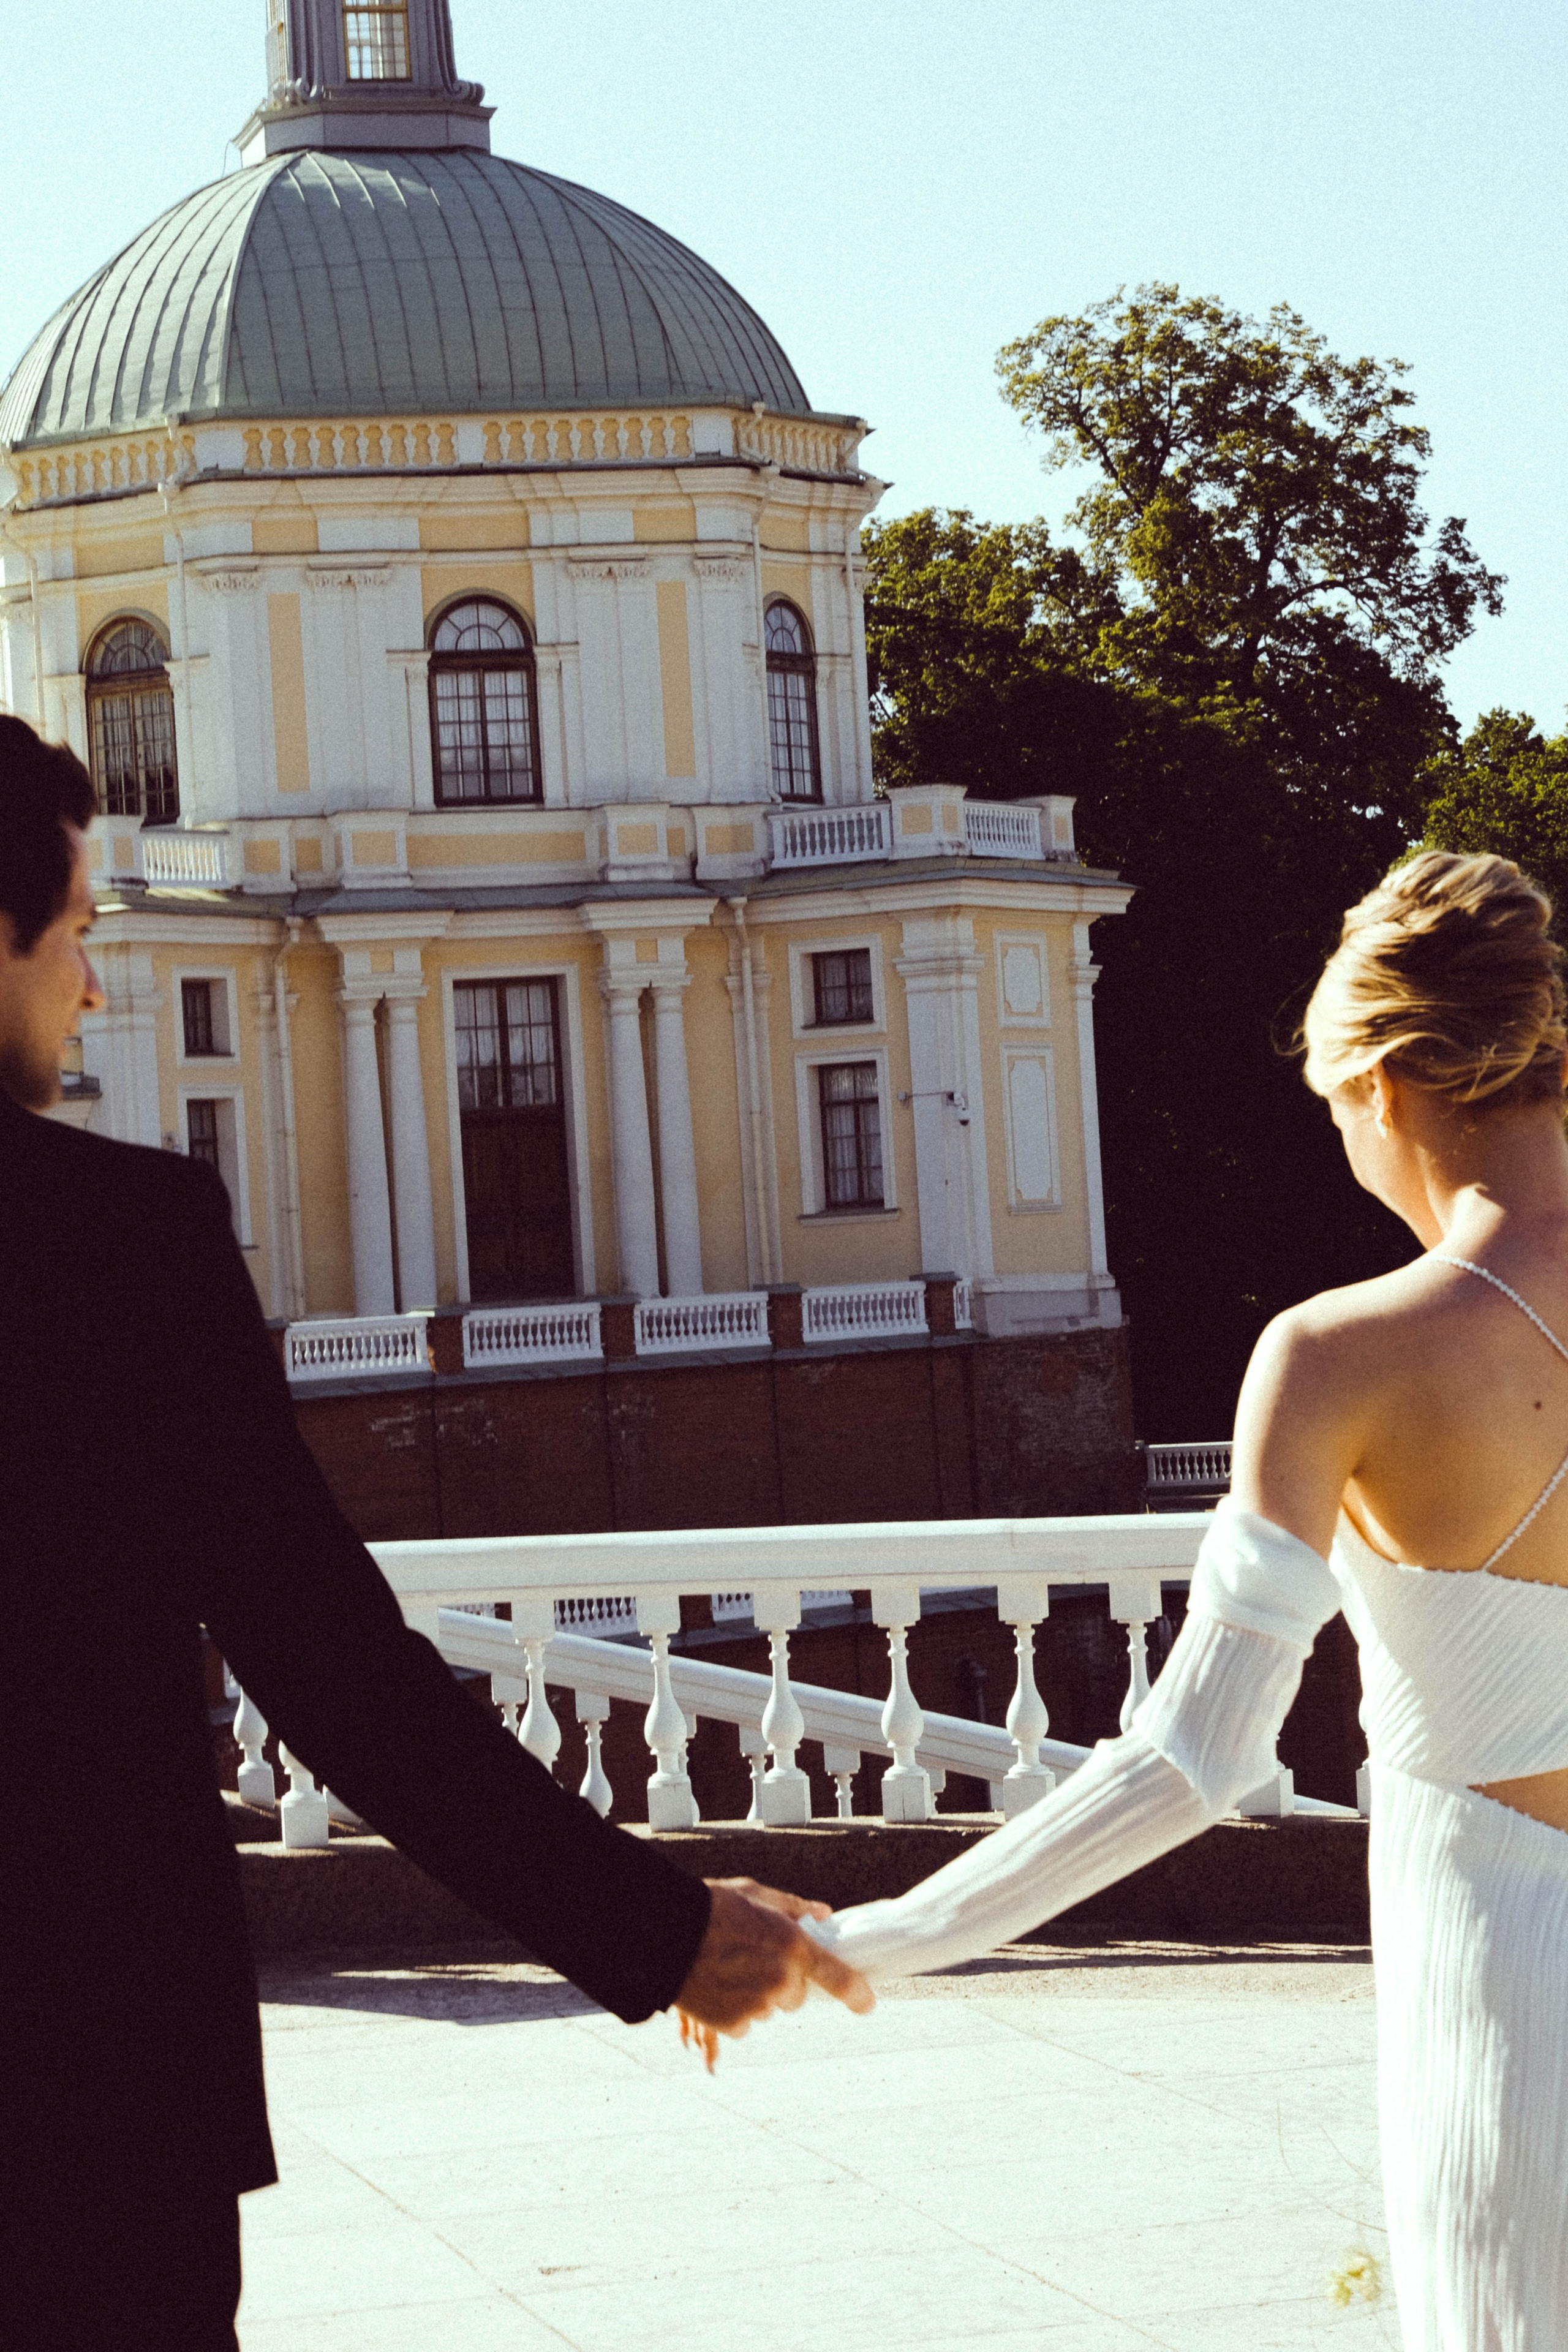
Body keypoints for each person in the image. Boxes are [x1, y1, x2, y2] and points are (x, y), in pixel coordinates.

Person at [0, 715, 872, 2352]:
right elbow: (335, 1674)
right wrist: (654, 1928)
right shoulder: (122, 1249)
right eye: (81, 938)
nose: (96, 991)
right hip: (86, 2080)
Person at [808, 850, 1568, 2348]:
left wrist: (882, 1935)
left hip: (1501, 1981)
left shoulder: (1339, 1354)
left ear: (1371, 1076)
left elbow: (1196, 1756)